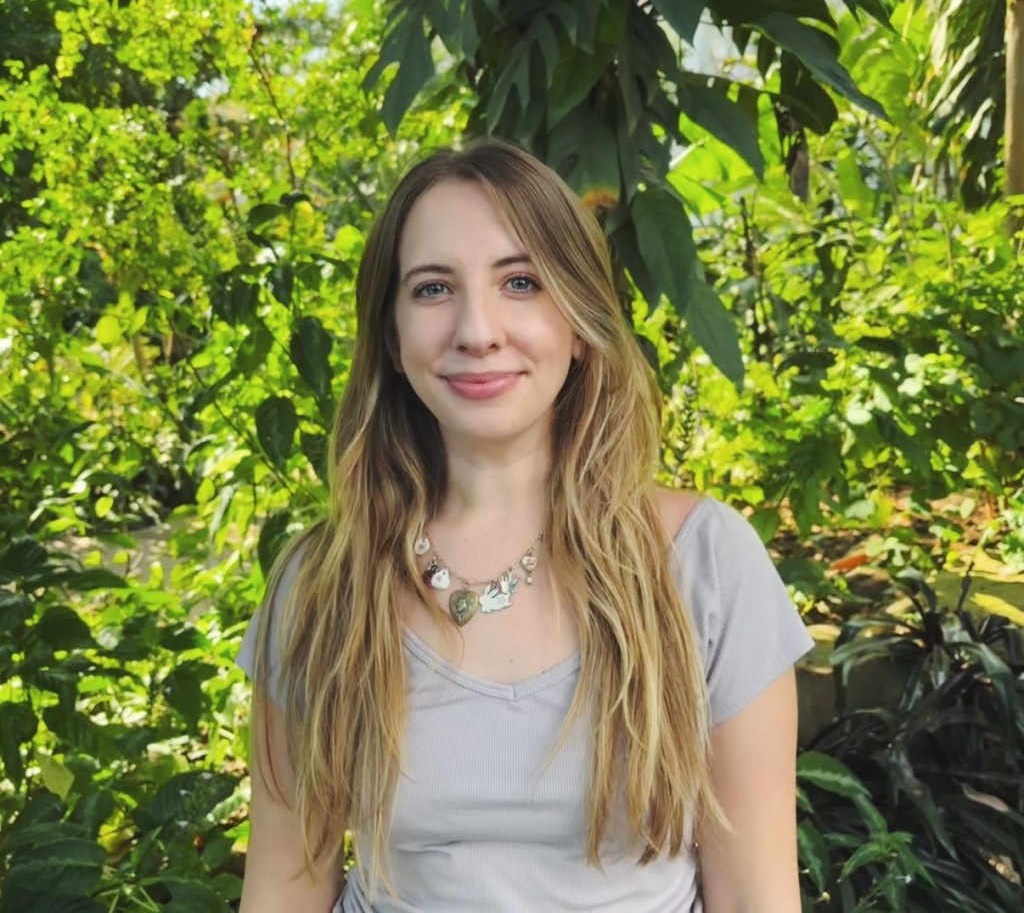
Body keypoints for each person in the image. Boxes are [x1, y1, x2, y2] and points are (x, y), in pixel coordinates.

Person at [235, 139, 813, 912]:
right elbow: (284, 884)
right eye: (433, 288)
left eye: (520, 281)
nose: (477, 329)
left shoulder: (702, 565)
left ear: (579, 325)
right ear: (394, 341)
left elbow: (754, 899)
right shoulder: (322, 581)